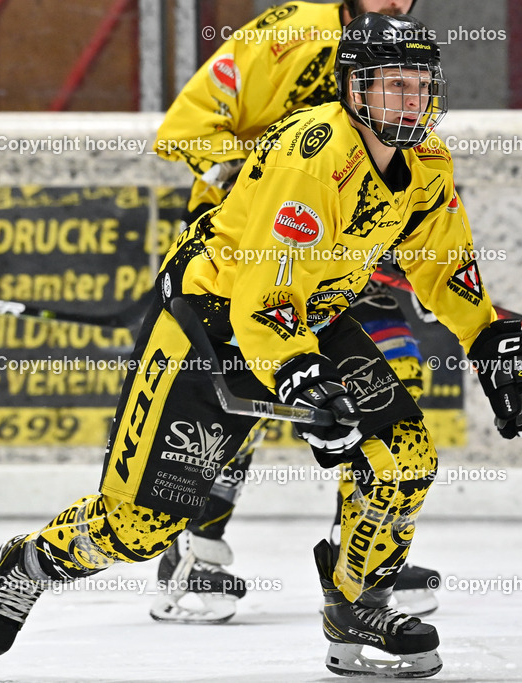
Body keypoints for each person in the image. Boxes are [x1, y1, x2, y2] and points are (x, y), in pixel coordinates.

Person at [0, 12, 522, 678]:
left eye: (419, 86)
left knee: (405, 457)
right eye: (391, 86)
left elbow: (443, 266)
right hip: (212, 326)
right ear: (354, 91)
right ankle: (34, 559)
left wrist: (491, 340)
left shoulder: (426, 164)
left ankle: (359, 604)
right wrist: (305, 381)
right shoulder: (315, 155)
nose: (409, 101)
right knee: (138, 527)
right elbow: (260, 298)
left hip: (313, 318)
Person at [149, 0, 439, 624]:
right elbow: (187, 123)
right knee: (255, 390)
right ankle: (191, 552)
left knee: (394, 371)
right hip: (244, 255)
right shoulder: (291, 32)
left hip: (339, 259)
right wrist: (251, 180)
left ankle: (361, 558)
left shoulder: (406, 49)